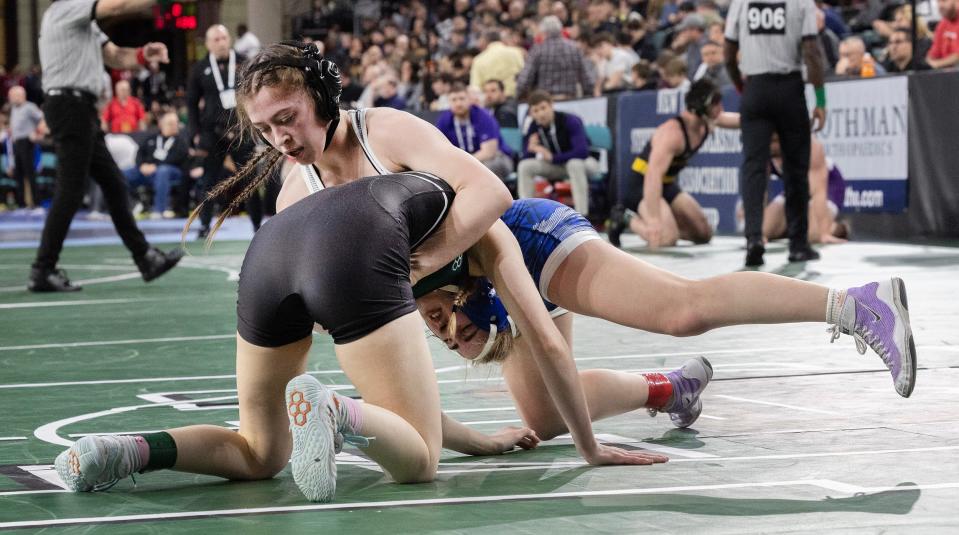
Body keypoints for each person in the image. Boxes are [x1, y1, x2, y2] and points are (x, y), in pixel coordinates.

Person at [54, 42, 661, 503]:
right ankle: (337, 415)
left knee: (260, 450)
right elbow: (546, 337)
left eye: (286, 119)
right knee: (419, 461)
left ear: (322, 98)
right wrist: (587, 447)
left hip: (267, 257)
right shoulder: (479, 237)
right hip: (342, 250)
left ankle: (133, 451)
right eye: (266, 130)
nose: (280, 139)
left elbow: (486, 190)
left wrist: (482, 440)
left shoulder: (375, 146)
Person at [412, 195, 916, 442]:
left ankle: (855, 304)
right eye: (430, 324)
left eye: (437, 316)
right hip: (492, 273)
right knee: (543, 419)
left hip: (530, 242)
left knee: (682, 309)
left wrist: (591, 450)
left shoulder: (411, 259)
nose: (439, 331)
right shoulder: (404, 281)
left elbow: (547, 347)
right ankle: (671, 388)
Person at [29, 0, 183, 292]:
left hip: (80, 109)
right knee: (70, 189)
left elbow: (114, 56)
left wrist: (141, 54)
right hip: (69, 105)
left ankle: (145, 257)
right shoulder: (64, 9)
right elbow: (117, 7)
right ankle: (42, 268)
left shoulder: (81, 21)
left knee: (113, 182)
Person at [724, 0, 826, 267]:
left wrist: (740, 86)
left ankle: (754, 239)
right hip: (790, 88)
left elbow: (727, 52)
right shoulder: (801, 2)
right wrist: (821, 99)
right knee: (796, 169)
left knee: (754, 167)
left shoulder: (741, 3)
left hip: (755, 87)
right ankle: (798, 245)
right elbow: (812, 51)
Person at [607, 79, 738, 249]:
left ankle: (668, 226)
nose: (721, 109)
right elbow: (652, 176)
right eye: (716, 104)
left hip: (666, 184)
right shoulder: (672, 133)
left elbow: (743, 121)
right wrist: (654, 221)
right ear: (701, 106)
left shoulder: (706, 119)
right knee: (665, 239)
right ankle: (624, 217)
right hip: (641, 185)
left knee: (703, 234)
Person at [187, 24, 259, 237]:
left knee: (252, 178)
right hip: (212, 133)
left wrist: (258, 126)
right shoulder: (200, 69)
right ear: (208, 44)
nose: (221, 43)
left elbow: (256, 93)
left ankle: (258, 225)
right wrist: (195, 133)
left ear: (229, 40)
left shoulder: (244, 61)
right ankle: (203, 225)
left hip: (241, 130)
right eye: (216, 39)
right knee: (209, 180)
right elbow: (191, 103)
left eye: (224, 38)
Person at [516, 90, 598, 217]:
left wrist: (552, 157)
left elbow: (582, 152)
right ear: (531, 113)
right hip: (558, 166)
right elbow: (527, 157)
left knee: (574, 164)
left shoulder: (569, 120)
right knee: (525, 166)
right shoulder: (534, 126)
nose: (541, 114)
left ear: (551, 105)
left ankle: (582, 215)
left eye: (543, 108)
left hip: (586, 163)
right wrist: (530, 147)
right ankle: (526, 215)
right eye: (536, 111)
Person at [763, 134, 847, 245]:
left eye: (776, 140)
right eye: (771, 141)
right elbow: (760, 189)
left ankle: (836, 227)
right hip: (796, 186)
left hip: (826, 184)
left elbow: (818, 191)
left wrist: (823, 232)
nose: (773, 146)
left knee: (813, 235)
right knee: (764, 230)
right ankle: (792, 226)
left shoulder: (810, 146)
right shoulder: (763, 150)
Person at [436, 83, 513, 180]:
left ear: (469, 100)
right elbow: (440, 150)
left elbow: (488, 152)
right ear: (449, 102)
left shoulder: (484, 116)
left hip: (497, 158)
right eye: (454, 100)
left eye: (462, 99)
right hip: (465, 163)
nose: (458, 103)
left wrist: (463, 164)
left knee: (482, 170)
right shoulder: (444, 120)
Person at [123, 111, 189, 219]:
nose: (174, 126)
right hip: (147, 170)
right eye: (171, 123)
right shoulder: (151, 138)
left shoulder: (181, 141)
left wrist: (155, 166)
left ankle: (159, 210)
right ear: (161, 124)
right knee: (123, 174)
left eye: (176, 123)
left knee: (163, 171)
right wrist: (141, 165)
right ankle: (132, 204)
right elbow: (139, 154)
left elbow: (177, 158)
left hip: (172, 171)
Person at [515, 16, 595, 100]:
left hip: (546, 102)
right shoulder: (575, 48)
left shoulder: (537, 50)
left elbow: (524, 80)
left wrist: (518, 96)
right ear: (560, 30)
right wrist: (589, 95)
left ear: (544, 32)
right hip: (570, 100)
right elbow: (587, 79)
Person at [6, 86, 44, 209]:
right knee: (19, 174)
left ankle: (37, 203)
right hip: (16, 143)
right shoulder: (14, 109)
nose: (10, 98)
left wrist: (37, 133)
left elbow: (42, 119)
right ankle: (21, 204)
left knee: (30, 173)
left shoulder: (29, 107)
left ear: (20, 95)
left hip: (27, 142)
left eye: (12, 96)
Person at [926, 0, 959, 69]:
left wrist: (937, 64)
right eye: (938, 2)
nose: (940, 6)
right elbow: (933, 53)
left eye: (944, 1)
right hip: (946, 75)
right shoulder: (942, 24)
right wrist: (929, 63)